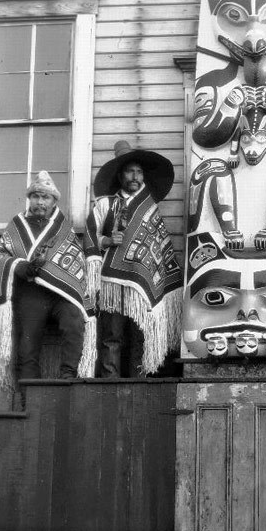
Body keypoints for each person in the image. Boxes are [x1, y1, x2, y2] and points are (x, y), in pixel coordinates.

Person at [0, 171, 96, 401]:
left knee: (75, 320)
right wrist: (20, 266)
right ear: (29, 199)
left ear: (54, 201)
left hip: (60, 294)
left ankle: (68, 379)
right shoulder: (17, 224)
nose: (40, 202)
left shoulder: (63, 227)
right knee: (28, 343)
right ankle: (30, 397)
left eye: (45, 197)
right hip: (30, 292)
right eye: (35, 196)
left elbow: (76, 265)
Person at [84, 140, 183, 377]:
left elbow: (159, 248)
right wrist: (107, 241)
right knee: (112, 337)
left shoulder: (150, 208)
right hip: (112, 283)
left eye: (139, 171)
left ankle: (139, 382)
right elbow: (89, 237)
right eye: (130, 171)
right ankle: (110, 382)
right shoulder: (105, 205)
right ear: (120, 175)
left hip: (142, 283)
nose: (135, 176)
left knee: (141, 334)